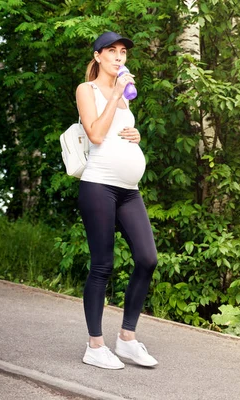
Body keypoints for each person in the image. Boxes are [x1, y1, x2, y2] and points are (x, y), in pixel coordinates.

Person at [75, 31, 158, 370]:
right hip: (99, 185)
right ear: (97, 56)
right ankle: (95, 346)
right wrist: (115, 96)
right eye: (112, 51)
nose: (119, 56)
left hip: (129, 190)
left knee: (147, 258)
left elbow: (118, 132)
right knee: (102, 265)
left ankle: (126, 339)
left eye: (123, 51)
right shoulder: (88, 90)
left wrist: (136, 136)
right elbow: (95, 133)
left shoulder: (126, 97)